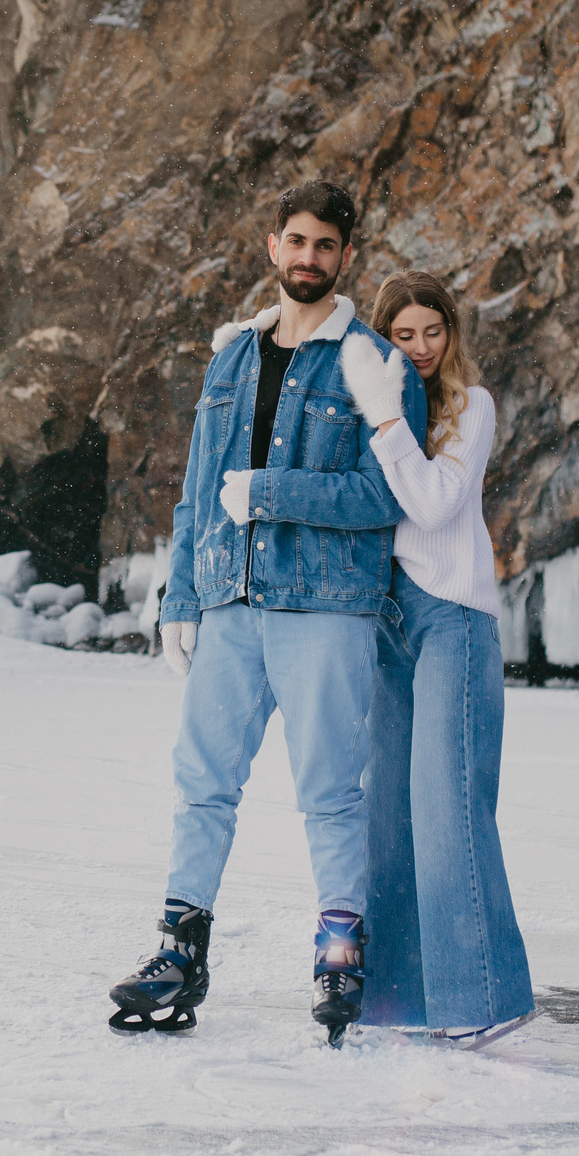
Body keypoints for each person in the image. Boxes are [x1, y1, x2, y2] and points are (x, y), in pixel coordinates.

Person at [108, 180, 429, 1046]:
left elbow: (387, 496)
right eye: (296, 241)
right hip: (231, 605)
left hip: (327, 608)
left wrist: (273, 493)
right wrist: (181, 593)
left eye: (325, 246)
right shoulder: (231, 359)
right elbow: (194, 493)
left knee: (329, 791)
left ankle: (337, 954)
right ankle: (179, 950)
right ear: (271, 245)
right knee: (201, 783)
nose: (308, 259)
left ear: (346, 257)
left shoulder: (375, 364)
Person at [335, 268, 535, 1047]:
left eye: (432, 331)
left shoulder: (469, 407)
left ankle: (484, 996)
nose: (419, 348)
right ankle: (396, 1002)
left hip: (452, 615)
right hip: (386, 621)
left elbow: (433, 503)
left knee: (448, 809)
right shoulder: (375, 405)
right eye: (403, 334)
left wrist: (387, 423)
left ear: (450, 333)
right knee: (388, 814)